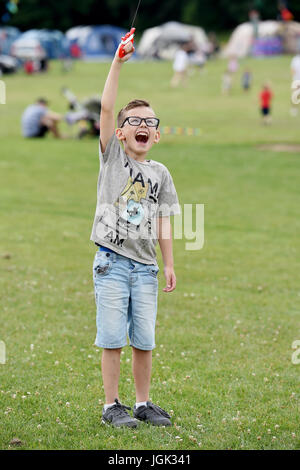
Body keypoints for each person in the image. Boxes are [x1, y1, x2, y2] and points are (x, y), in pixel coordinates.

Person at [91, 35, 181, 428]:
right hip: (111, 263)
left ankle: (143, 403)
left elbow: (164, 220)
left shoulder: (161, 173)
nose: (142, 126)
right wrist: (118, 62)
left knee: (144, 341)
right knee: (112, 338)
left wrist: (169, 264)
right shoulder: (112, 157)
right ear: (121, 133)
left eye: (150, 122)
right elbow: (108, 107)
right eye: (134, 122)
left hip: (146, 269)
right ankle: (113, 405)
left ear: (157, 134)